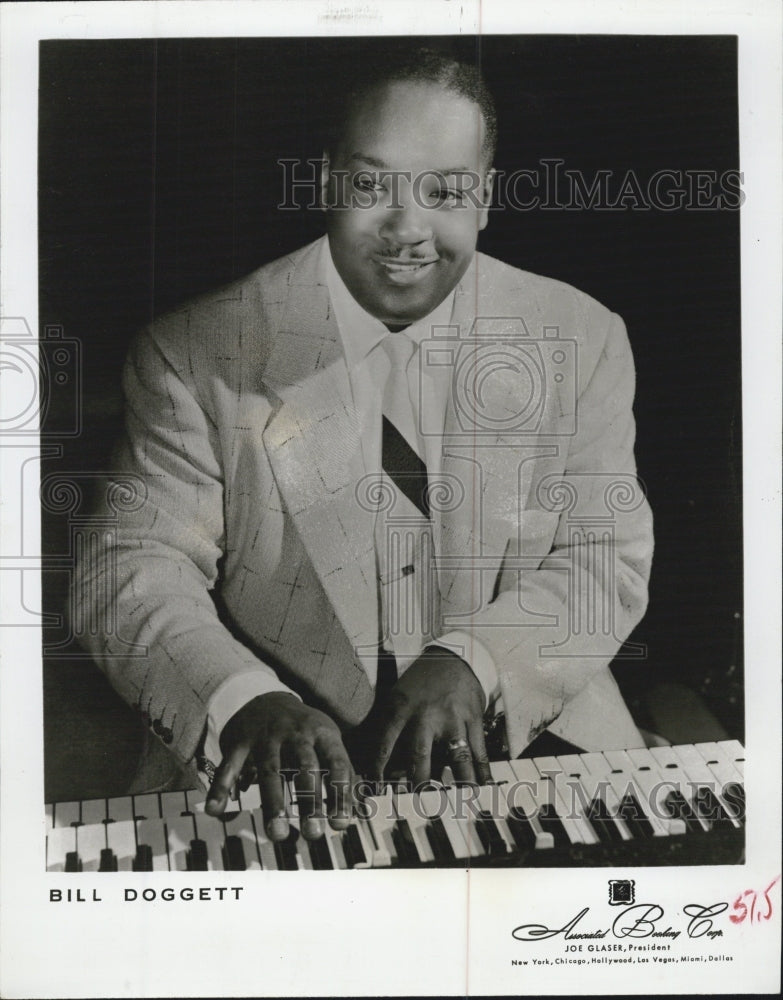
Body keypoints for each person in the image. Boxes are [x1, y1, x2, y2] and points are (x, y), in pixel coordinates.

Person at [73, 49, 653, 845]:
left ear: (482, 199)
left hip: (526, 728)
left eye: (445, 192)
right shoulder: (194, 352)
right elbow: (130, 566)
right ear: (323, 183)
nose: (407, 230)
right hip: (269, 761)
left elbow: (603, 563)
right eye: (370, 184)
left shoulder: (582, 336)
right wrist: (243, 697)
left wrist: (474, 662)